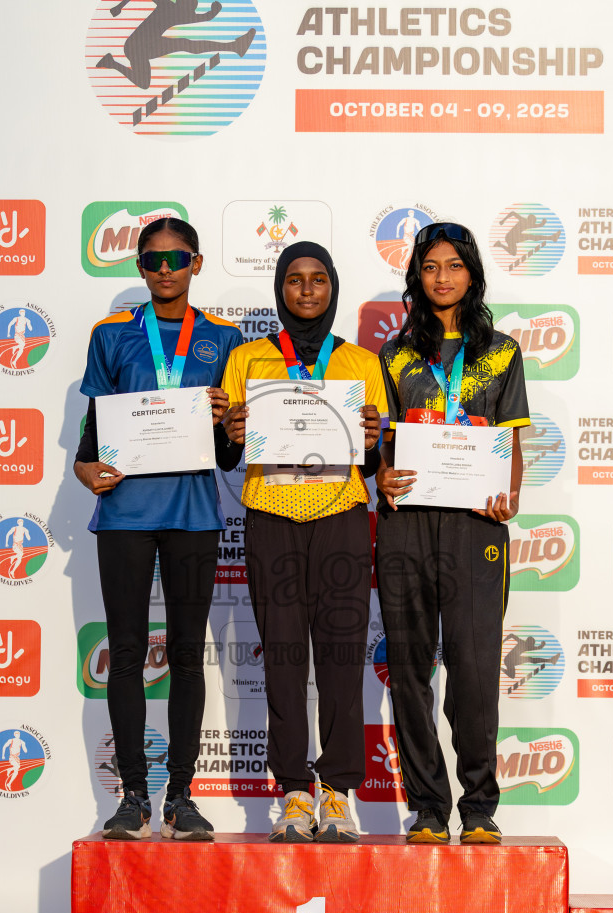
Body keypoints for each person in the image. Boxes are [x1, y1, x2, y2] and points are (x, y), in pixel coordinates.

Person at [73, 216, 242, 841]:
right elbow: (92, 441)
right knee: (124, 656)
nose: (164, 271)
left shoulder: (224, 341)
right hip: (123, 517)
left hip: (194, 515)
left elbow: (226, 458)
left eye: (177, 260)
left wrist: (229, 427)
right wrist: (85, 469)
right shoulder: (111, 335)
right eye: (152, 260)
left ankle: (183, 796)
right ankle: (132, 799)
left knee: (186, 660)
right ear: (139, 266)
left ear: (196, 264)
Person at [220, 242, 385, 843]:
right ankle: (293, 790)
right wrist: (231, 433)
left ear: (333, 287)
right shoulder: (246, 360)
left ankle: (338, 794)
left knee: (341, 657)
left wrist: (372, 440)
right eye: (295, 280)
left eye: (318, 280)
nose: (307, 291)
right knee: (285, 658)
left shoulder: (364, 364)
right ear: (280, 289)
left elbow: (373, 465)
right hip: (270, 516)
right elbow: (227, 457)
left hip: (341, 515)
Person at [374, 222, 530, 845]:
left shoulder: (502, 351)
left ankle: (481, 806)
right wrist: (381, 478)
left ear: (472, 274)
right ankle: (429, 809)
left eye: (454, 266)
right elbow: (381, 442)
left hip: (475, 525)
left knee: (471, 670)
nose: (443, 277)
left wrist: (509, 496)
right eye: (431, 266)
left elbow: (511, 439)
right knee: (409, 669)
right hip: (406, 522)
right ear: (417, 276)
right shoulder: (393, 354)